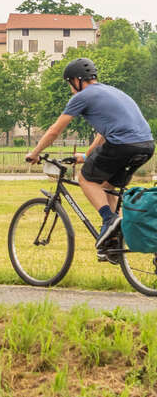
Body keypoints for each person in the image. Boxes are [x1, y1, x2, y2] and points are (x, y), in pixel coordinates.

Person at [25, 58, 154, 259]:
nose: (70, 89)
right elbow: (103, 134)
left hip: (122, 145)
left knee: (85, 179)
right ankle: (112, 240)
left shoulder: (83, 96)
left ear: (77, 80)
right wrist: (86, 156)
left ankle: (108, 220)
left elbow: (55, 131)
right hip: (146, 146)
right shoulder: (113, 92)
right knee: (105, 185)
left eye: (69, 84)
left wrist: (35, 152)